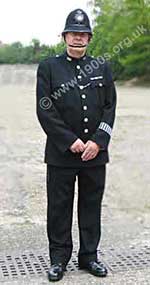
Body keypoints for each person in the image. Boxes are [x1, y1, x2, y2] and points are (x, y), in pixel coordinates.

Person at [36, 8, 117, 282]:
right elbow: (44, 109)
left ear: (89, 39)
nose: (78, 39)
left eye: (83, 34)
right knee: (59, 208)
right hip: (62, 154)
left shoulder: (103, 67)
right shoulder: (48, 67)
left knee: (91, 206)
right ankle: (58, 260)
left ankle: (90, 257)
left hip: (95, 154)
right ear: (64, 36)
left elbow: (109, 107)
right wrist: (69, 141)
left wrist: (98, 141)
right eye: (73, 33)